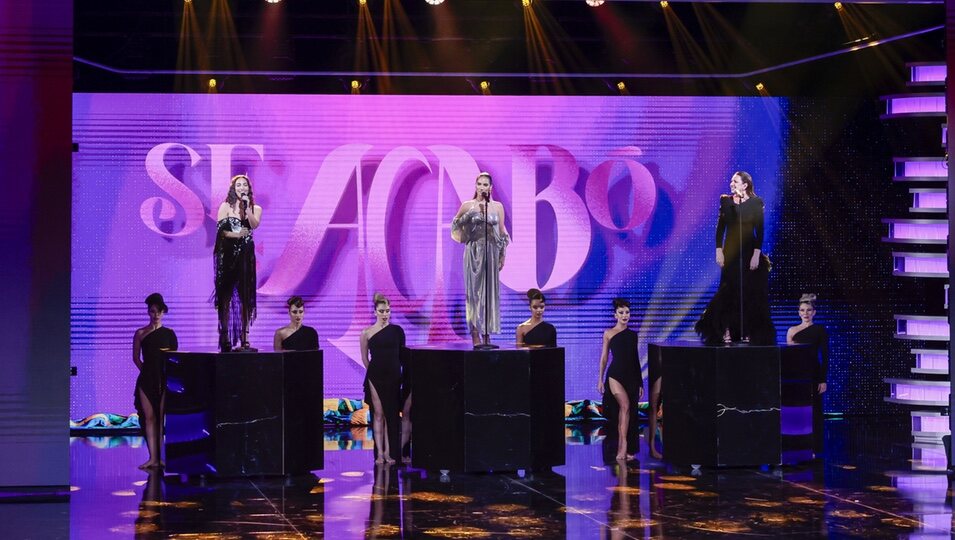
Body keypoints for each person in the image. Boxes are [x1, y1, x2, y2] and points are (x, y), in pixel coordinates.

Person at [695, 171, 775, 345]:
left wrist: (756, 255)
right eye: (731, 180)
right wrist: (719, 250)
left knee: (751, 293)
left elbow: (759, 231)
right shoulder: (726, 201)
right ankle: (723, 331)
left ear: (745, 185)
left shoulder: (755, 203)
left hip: (749, 252)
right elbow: (720, 228)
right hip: (731, 252)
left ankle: (752, 333)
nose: (731, 183)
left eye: (735, 181)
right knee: (727, 291)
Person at [451, 172, 511, 346]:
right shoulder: (467, 205)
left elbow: (501, 233)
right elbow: (456, 227)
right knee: (474, 293)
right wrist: (470, 215)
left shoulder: (497, 207)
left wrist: (502, 255)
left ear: (490, 188)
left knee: (489, 294)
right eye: (480, 184)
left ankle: (487, 334)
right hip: (474, 251)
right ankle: (475, 333)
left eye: (486, 185)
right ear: (475, 186)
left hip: (491, 252)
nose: (482, 187)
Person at [214, 174, 262, 352]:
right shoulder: (225, 206)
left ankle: (245, 336)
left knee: (245, 298)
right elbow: (221, 232)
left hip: (245, 258)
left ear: (249, 188)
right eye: (238, 185)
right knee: (225, 297)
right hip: (228, 257)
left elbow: (254, 225)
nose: (241, 187)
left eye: (245, 185)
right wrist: (237, 235)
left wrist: (247, 207)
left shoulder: (255, 208)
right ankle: (225, 335)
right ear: (233, 188)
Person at [133, 293, 178, 470]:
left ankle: (161, 458)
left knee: (161, 418)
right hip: (146, 380)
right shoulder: (141, 333)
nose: (156, 315)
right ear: (148, 312)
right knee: (149, 418)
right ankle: (153, 458)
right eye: (152, 311)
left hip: (165, 380)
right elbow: (136, 358)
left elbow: (174, 358)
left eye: (159, 312)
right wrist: (147, 372)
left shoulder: (169, 334)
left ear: (163, 312)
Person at [360, 293, 406, 464]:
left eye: (387, 310)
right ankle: (380, 453)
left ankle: (389, 452)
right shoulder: (366, 333)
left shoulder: (397, 331)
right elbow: (365, 358)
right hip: (375, 376)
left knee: (391, 414)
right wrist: (373, 372)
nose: (385, 314)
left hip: (394, 375)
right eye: (382, 311)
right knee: (378, 414)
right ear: (375, 312)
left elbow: (402, 354)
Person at [597, 298, 643, 461]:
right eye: (621, 312)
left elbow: (635, 358)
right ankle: (622, 446)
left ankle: (627, 447)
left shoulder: (632, 335)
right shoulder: (608, 334)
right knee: (624, 406)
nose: (625, 315)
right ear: (615, 314)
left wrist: (640, 382)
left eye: (627, 312)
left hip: (631, 376)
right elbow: (604, 358)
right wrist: (600, 379)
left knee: (628, 410)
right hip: (614, 375)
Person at [786, 293, 829, 454]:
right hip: (796, 376)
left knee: (814, 411)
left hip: (813, 374)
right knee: (797, 410)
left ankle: (814, 448)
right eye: (802, 310)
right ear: (798, 312)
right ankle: (797, 445)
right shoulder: (792, 330)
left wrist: (823, 379)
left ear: (814, 312)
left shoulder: (820, 330)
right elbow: (789, 356)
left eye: (809, 310)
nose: (805, 313)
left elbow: (825, 356)